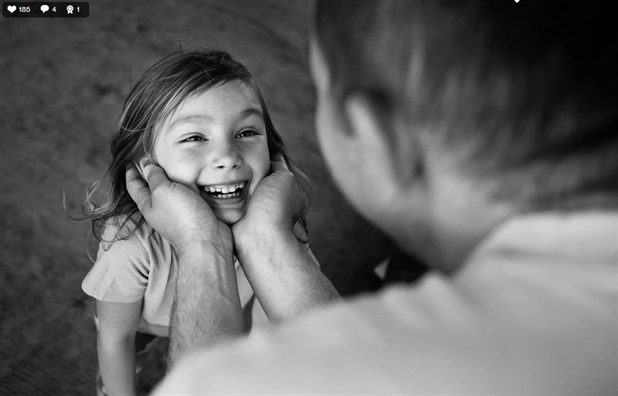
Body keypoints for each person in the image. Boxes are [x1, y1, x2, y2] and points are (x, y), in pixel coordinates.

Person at [128, 0, 618, 394]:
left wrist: (202, 248)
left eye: (323, 95)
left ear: (377, 135)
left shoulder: (228, 380)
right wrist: (267, 241)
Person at [80, 49, 337, 396]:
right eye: (195, 138)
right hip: (143, 323)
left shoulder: (276, 225)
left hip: (234, 322)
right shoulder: (130, 243)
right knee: (127, 360)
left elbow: (288, 333)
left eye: (246, 132)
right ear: (147, 168)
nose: (228, 157)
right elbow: (116, 337)